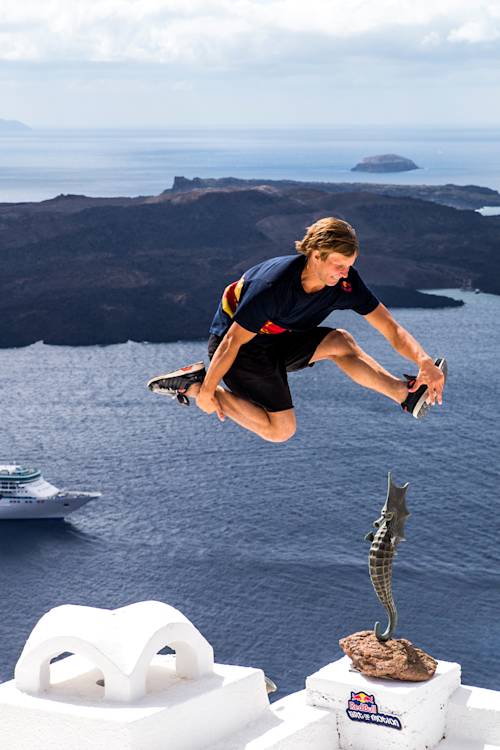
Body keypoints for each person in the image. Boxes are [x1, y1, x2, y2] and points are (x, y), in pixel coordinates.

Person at [147, 217, 447, 442]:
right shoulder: (274, 287)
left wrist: (423, 361)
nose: (346, 273)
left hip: (278, 340)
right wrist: (209, 394)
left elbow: (391, 328)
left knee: (340, 341)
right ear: (316, 255)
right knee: (281, 430)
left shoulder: (344, 284)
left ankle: (404, 394)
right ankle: (194, 384)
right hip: (240, 350)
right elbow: (230, 344)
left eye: (350, 265)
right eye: (339, 265)